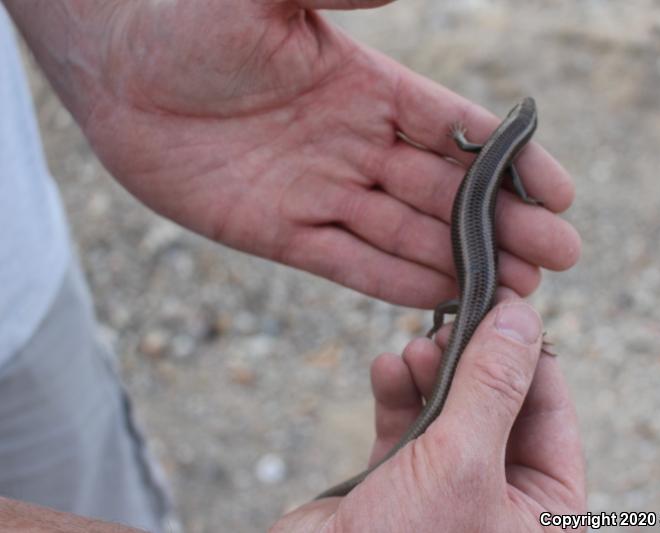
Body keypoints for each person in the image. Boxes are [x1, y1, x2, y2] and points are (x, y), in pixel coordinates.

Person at [0, 1, 584, 531]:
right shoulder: (502, 167)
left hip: (24, 296)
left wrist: (103, 34)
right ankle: (449, 328)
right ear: (517, 142)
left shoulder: (490, 156)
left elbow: (470, 146)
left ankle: (448, 330)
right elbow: (508, 182)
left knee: (84, 479)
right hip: (469, 289)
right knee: (466, 328)